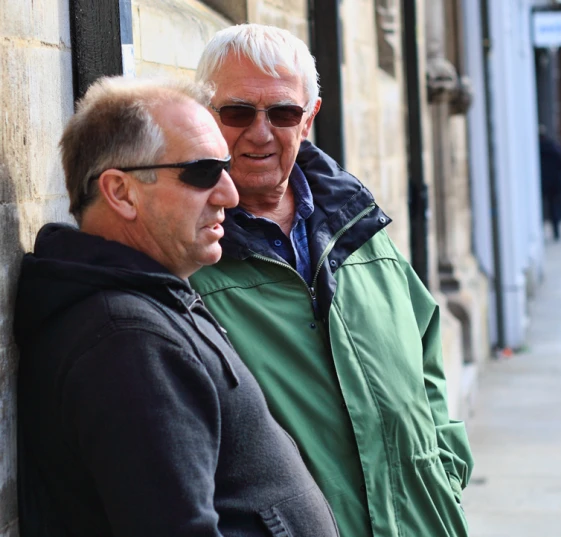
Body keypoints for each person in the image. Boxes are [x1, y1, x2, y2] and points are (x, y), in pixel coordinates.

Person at [13, 77, 340, 536]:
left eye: (225, 169)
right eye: (203, 172)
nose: (228, 194)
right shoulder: (127, 341)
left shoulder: (147, 305)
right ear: (121, 192)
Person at [189, 24, 473, 537]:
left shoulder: (356, 227)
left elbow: (425, 349)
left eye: (282, 112)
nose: (260, 131)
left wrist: (444, 468)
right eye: (237, 112)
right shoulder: (191, 258)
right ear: (205, 116)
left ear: (308, 120)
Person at [539, 125, 561, 241]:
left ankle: (540, 230)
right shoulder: (554, 148)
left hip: (544, 181)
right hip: (555, 182)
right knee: (554, 206)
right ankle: (556, 230)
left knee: (542, 206)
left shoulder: (538, 149)